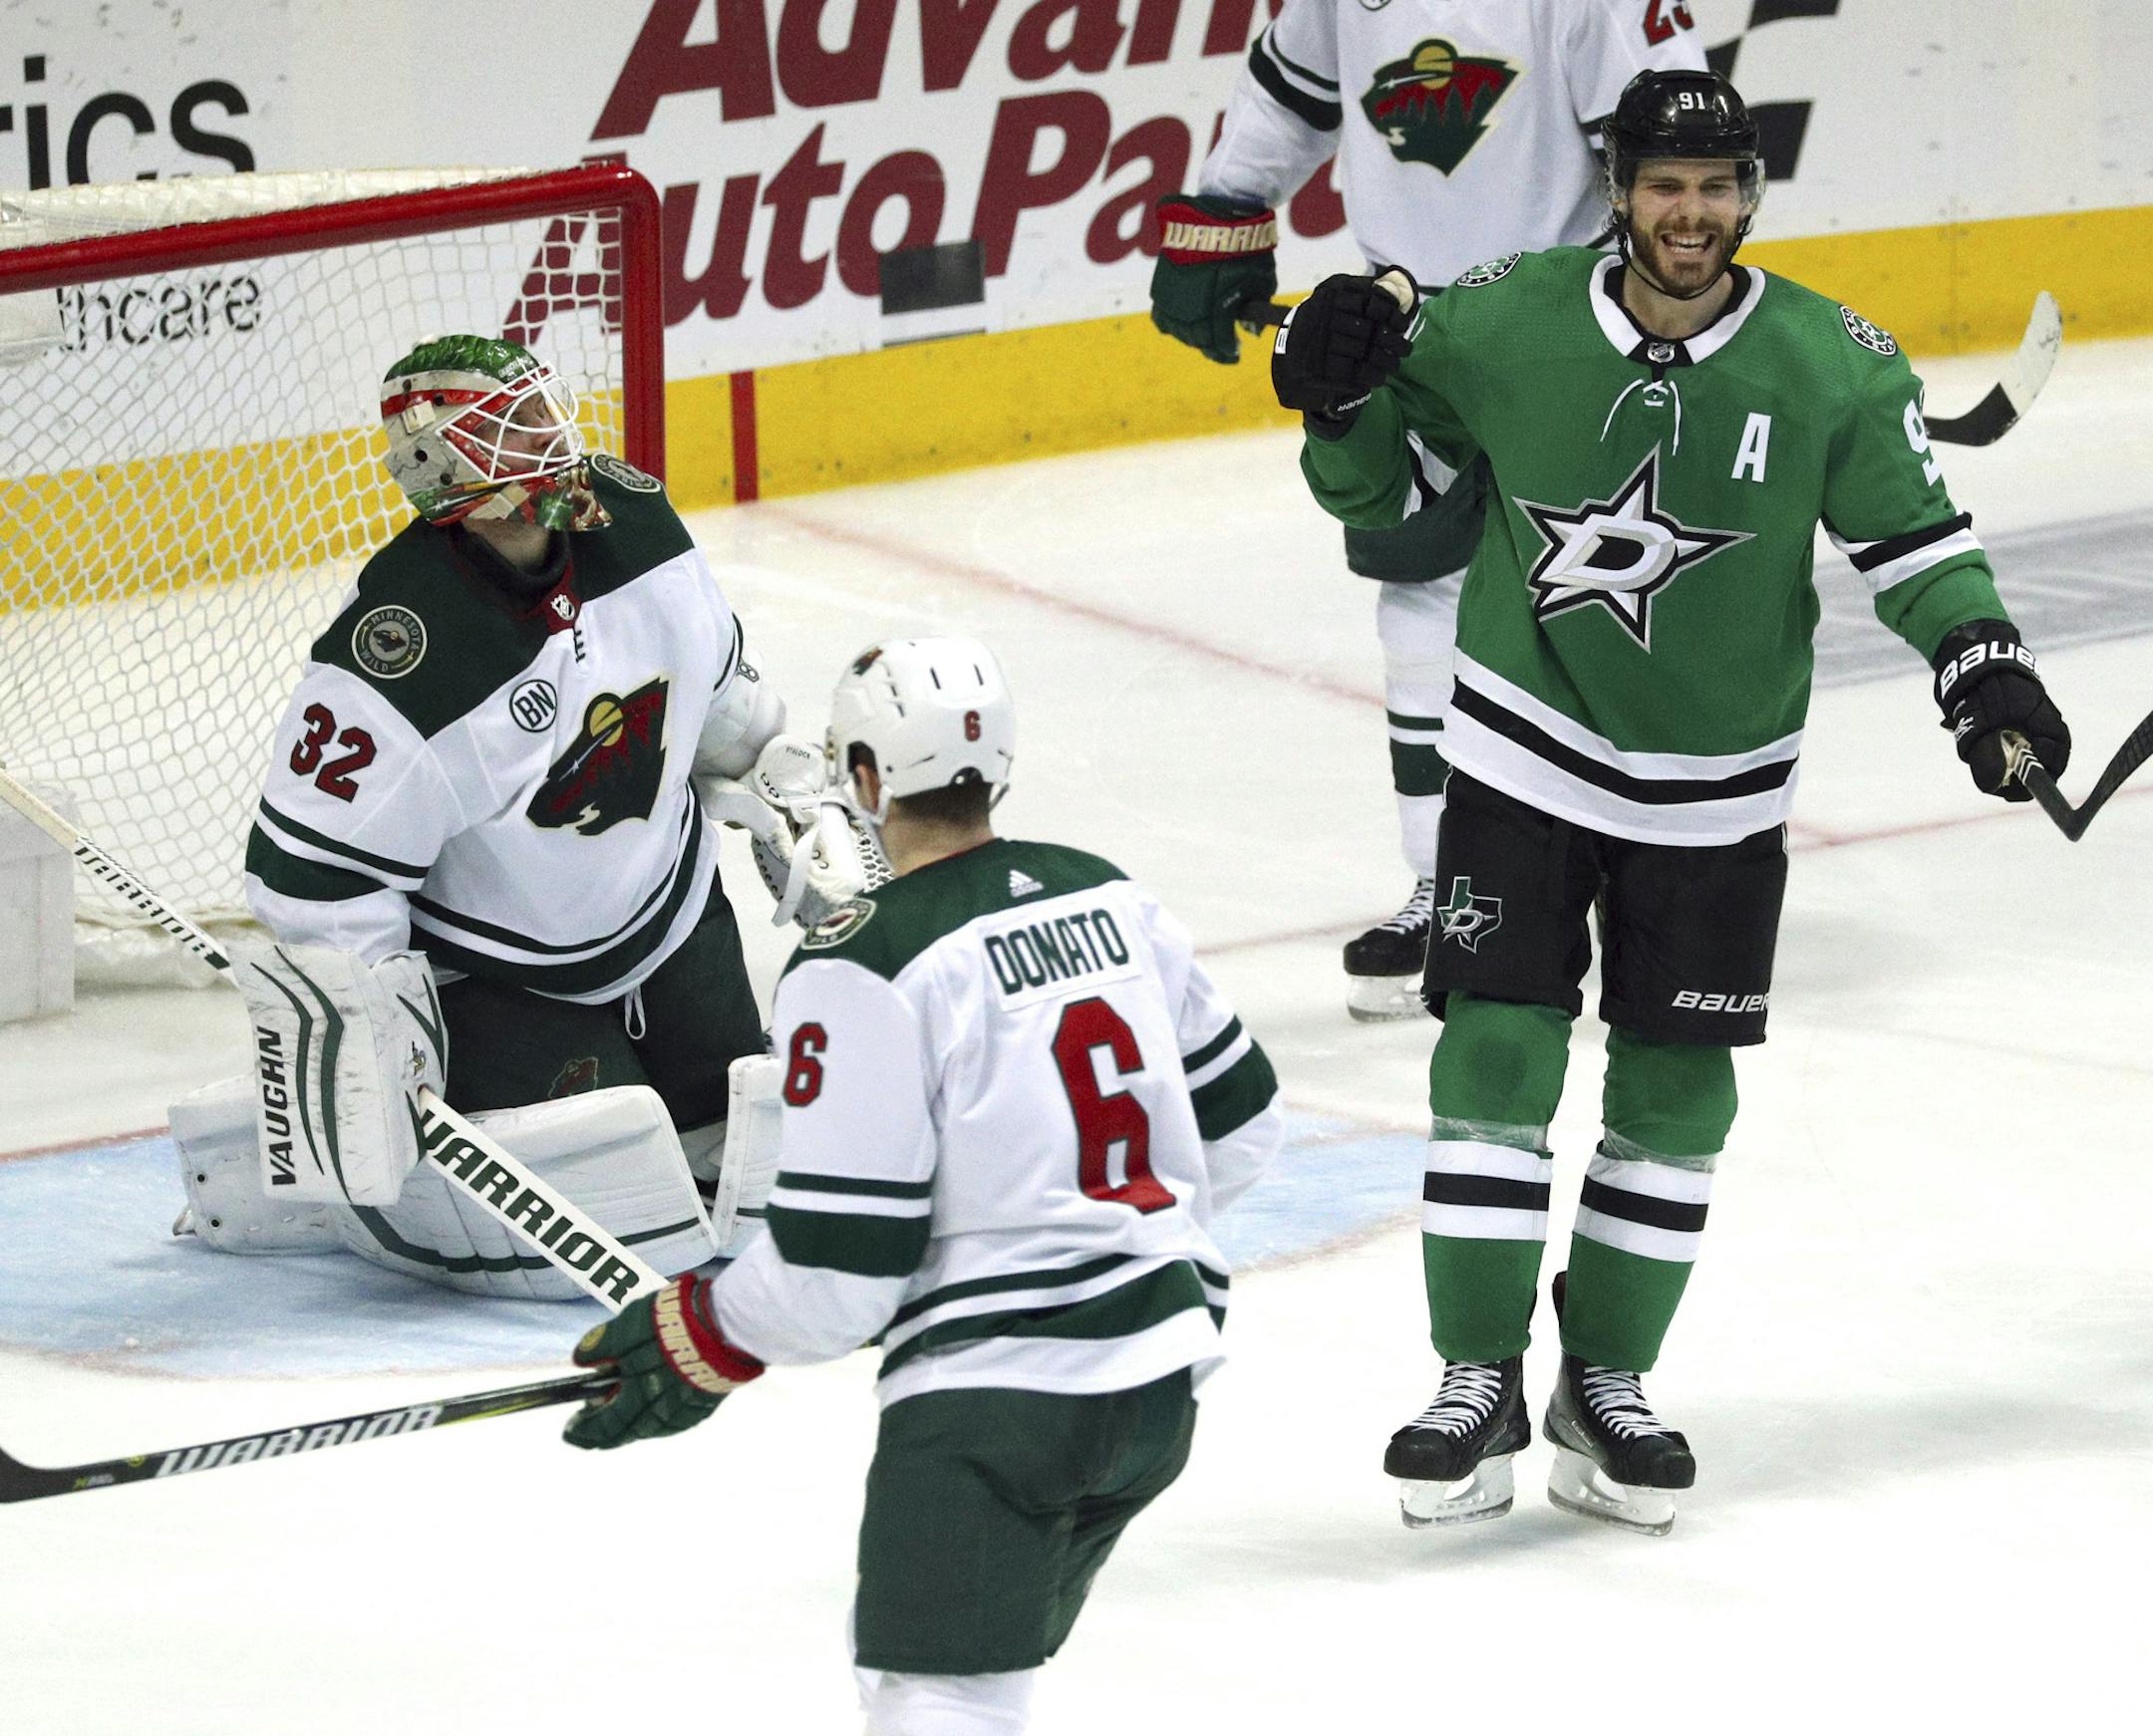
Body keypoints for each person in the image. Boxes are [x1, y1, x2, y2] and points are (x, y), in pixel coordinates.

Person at [1270, 70, 2071, 1534]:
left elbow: (1915, 543)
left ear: (1747, 197)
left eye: (1714, 187)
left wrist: (1985, 663)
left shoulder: (1831, 362)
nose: (1688, 214)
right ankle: (1475, 1379)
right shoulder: (1505, 318)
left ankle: (1607, 1383)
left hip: (1717, 790)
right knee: (1494, 1053)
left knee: (1680, 1091)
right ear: (1619, 191)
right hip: (1522, 747)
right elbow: (1382, 495)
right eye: (1662, 185)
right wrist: (1335, 402)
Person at [561, 636, 1283, 1735]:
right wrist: (1084, 1242)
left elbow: (837, 1278)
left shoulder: (860, 964)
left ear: (864, 775)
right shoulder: (1108, 895)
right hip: (1159, 1380)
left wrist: (702, 1327)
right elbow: (1242, 1126)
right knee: (950, 1672)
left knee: (939, 1699)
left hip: (1000, 1405)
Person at [171, 334, 846, 1297]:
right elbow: (312, 879)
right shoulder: (399, 656)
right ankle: (309, 1176)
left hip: (669, 916)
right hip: (497, 974)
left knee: (745, 1155)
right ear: (442, 464)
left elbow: (717, 688)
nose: (556, 437)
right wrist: (373, 1029)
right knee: (621, 1209)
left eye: (546, 410)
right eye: (517, 426)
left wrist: (785, 783)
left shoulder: (635, 519)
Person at [1151, 0, 1704, 1019]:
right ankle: (1449, 891)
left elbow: (1677, 139)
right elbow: (1289, 93)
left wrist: (1672, 308)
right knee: (1418, 606)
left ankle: (1643, 867)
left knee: (1603, 594)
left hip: (1573, 322)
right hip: (1406, 326)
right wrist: (1227, 206)